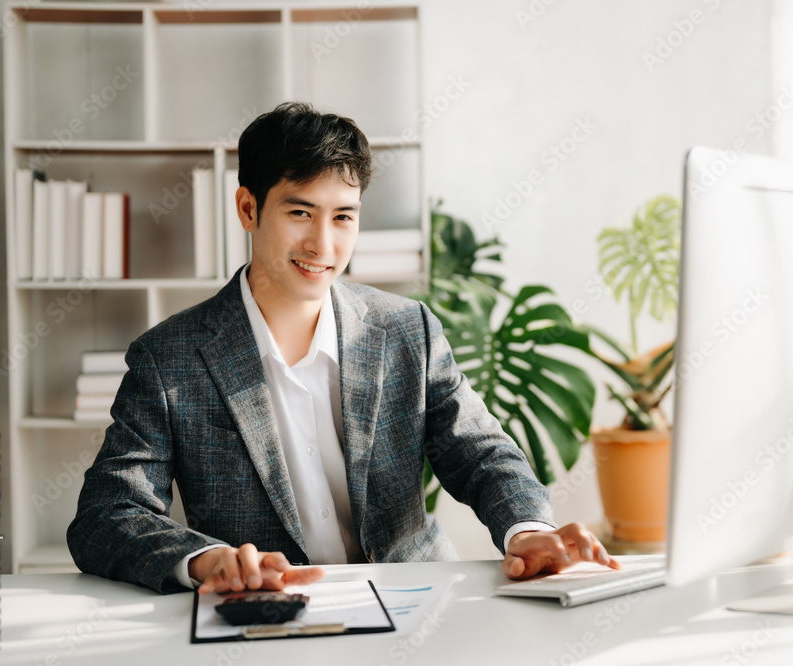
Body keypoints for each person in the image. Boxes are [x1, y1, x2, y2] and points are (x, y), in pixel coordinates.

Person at [67, 102, 620, 594]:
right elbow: (106, 514)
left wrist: (528, 530)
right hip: (270, 615)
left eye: (343, 217)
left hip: (416, 601)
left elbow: (481, 454)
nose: (323, 245)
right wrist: (207, 560)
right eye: (300, 212)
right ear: (248, 209)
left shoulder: (407, 330)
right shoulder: (171, 359)